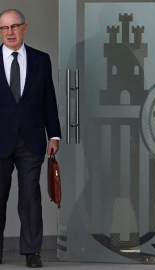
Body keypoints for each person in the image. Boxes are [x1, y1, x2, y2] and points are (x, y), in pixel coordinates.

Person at [0, 9, 61, 268]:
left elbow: (49, 100)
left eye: (15, 26)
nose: (10, 32)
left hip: (32, 140)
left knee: (30, 197)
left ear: (25, 28)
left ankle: (32, 252)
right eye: (4, 28)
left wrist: (54, 134)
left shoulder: (40, 59)